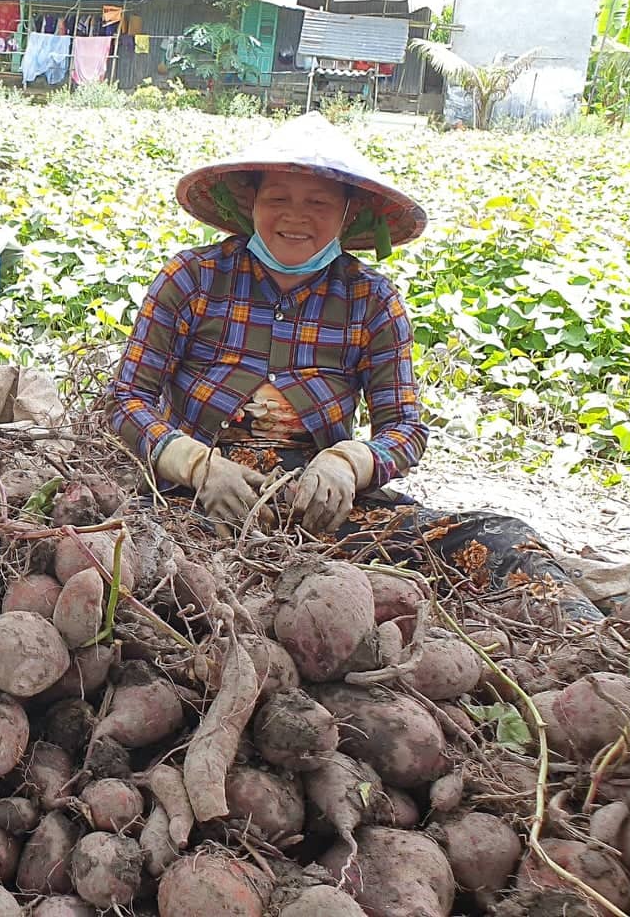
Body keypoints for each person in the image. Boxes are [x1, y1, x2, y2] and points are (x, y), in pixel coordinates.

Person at [108, 113, 600, 621]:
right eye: (278, 198)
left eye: (318, 202)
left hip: (321, 508)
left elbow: (405, 429)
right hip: (194, 502)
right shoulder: (191, 279)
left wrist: (346, 463)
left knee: (502, 539)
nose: (295, 216)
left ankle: (588, 644)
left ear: (347, 215)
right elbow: (127, 400)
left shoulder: (371, 300)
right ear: (250, 204)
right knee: (128, 560)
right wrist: (196, 465)